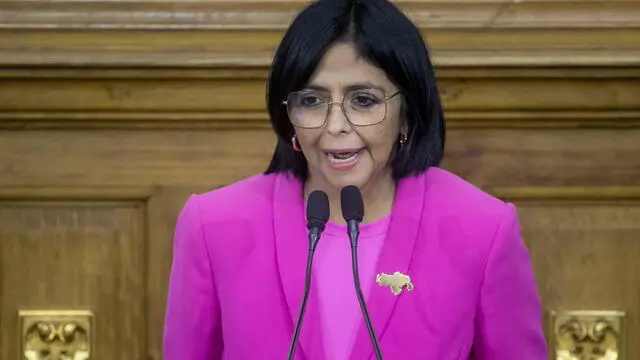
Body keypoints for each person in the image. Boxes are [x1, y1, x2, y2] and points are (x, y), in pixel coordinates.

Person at [162, 0, 548, 359]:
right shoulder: (213, 227)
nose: (335, 126)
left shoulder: (482, 229)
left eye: (363, 100)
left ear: (408, 114)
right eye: (311, 101)